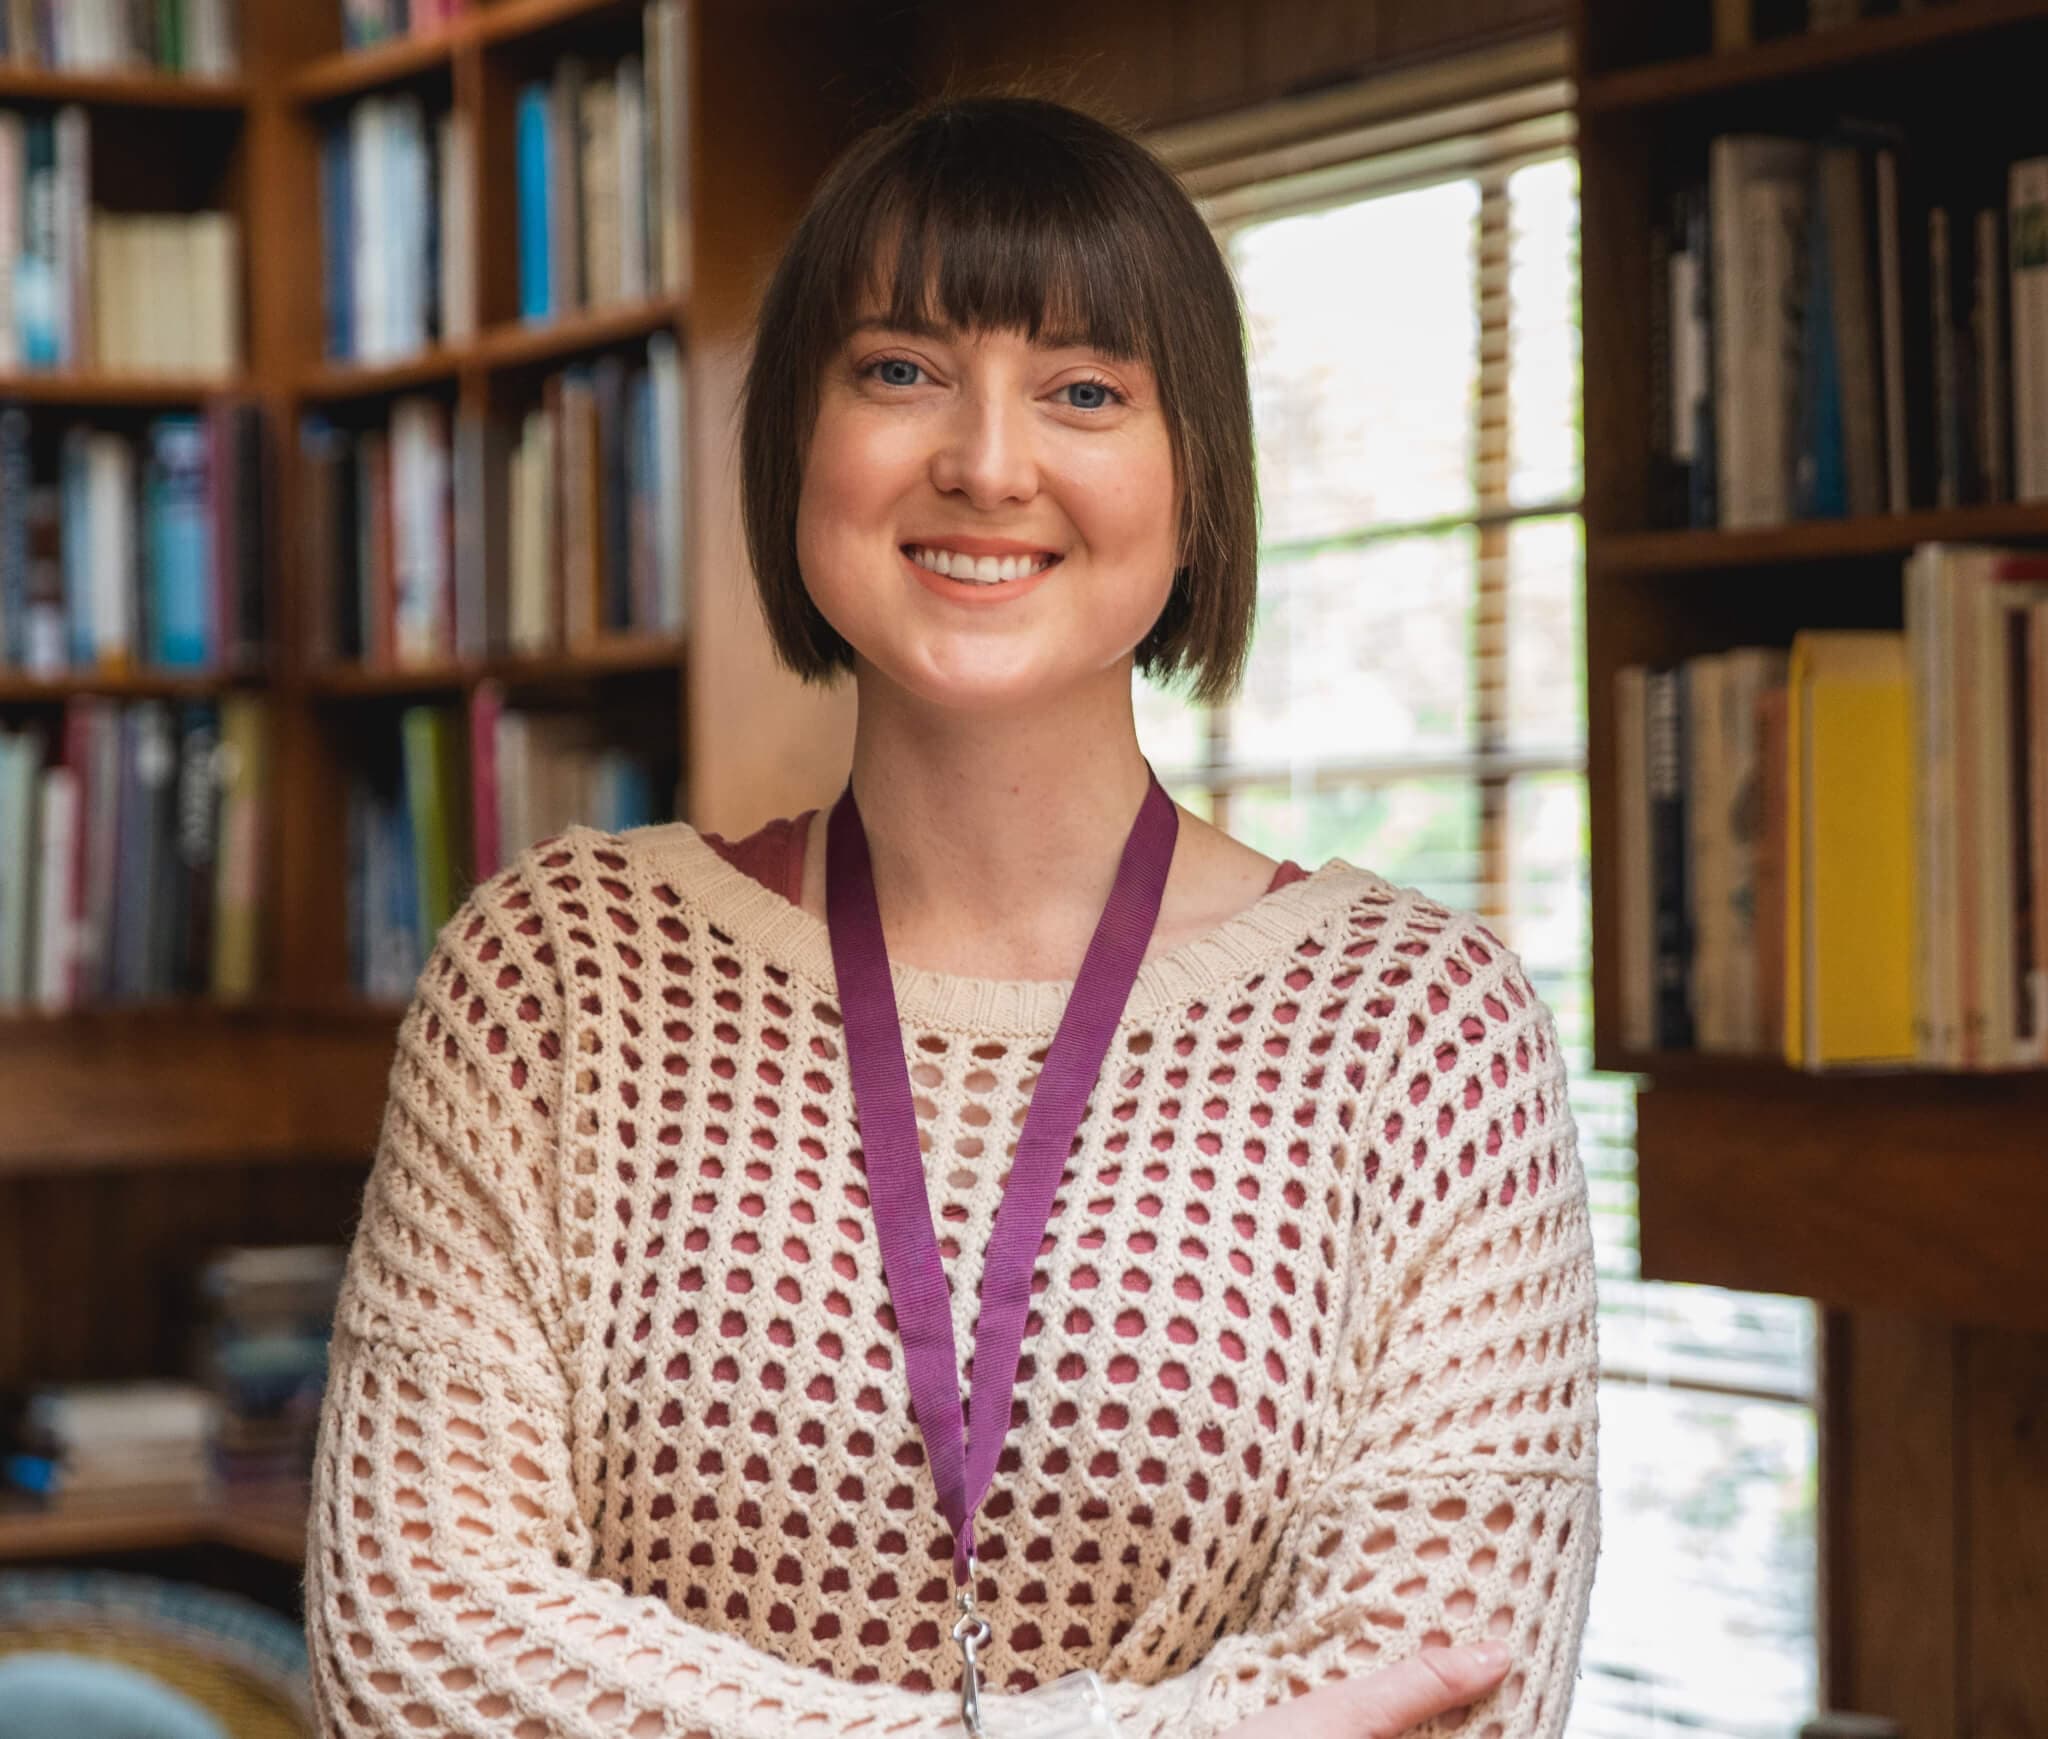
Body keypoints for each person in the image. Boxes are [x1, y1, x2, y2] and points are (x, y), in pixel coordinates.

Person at [302, 90, 1600, 1739]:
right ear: (795, 442)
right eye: (902, 370)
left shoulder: (1424, 1027)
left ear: (1199, 480)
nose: (989, 464)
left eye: (1084, 392)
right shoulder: (555, 973)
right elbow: (416, 1653)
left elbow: (1453, 1691)